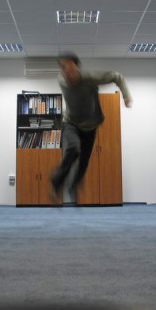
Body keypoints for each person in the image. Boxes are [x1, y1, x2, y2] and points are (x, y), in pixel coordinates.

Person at [50, 52, 132, 202]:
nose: (68, 74)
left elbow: (117, 77)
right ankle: (57, 182)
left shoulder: (90, 77)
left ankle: (73, 185)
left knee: (84, 161)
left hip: (90, 125)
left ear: (78, 68)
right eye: (64, 69)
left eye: (71, 69)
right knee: (73, 148)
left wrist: (126, 96)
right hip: (70, 122)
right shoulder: (61, 80)